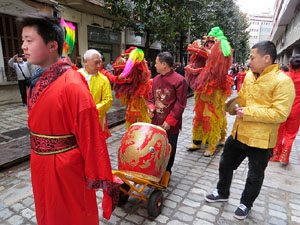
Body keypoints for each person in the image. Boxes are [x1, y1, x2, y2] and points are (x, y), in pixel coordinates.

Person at [18, 13, 119, 225]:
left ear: (53, 45)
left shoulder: (72, 84)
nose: (23, 47)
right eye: (22, 41)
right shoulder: (38, 79)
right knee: (47, 211)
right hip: (40, 162)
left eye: (29, 40)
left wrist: (102, 176)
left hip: (64, 167)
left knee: (71, 215)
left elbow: (91, 136)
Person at [205, 40, 295, 220]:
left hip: (261, 139)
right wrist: (231, 105)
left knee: (255, 175)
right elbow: (243, 98)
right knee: (225, 164)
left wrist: (247, 112)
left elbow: (280, 114)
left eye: (253, 57)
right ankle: (222, 192)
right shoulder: (248, 76)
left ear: (267, 58)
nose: (249, 61)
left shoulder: (283, 82)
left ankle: (246, 203)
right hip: (239, 132)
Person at [184, 27, 233, 156]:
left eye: (210, 44)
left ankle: (213, 143)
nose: (207, 46)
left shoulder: (222, 48)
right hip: (202, 90)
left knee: (214, 116)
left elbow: (220, 64)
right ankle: (197, 141)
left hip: (215, 90)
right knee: (199, 116)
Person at [148, 52, 188, 175]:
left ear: (164, 64)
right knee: (154, 146)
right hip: (156, 120)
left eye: (156, 62)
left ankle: (166, 172)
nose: (154, 65)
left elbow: (180, 104)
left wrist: (170, 121)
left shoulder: (179, 81)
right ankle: (154, 169)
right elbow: (151, 98)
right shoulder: (155, 80)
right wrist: (150, 108)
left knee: (169, 148)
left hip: (170, 124)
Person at [270, 54, 300, 165]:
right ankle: (284, 157)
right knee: (290, 134)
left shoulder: (284, 76)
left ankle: (274, 155)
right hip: (296, 110)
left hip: (283, 108)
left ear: (290, 65)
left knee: (279, 132)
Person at [78, 49, 113, 139]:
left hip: (96, 119)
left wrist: (92, 110)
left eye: (100, 63)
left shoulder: (103, 79)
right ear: (86, 61)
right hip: (78, 119)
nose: (98, 66)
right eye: (96, 63)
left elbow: (108, 100)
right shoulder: (76, 76)